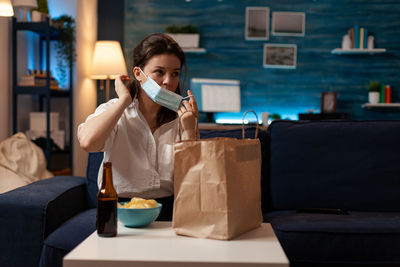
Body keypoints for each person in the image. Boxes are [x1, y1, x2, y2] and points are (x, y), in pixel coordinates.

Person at [77, 33, 198, 220]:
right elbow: (88, 143)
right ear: (138, 74)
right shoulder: (115, 111)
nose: (168, 81)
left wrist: (190, 130)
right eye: (159, 72)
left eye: (175, 73)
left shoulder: (183, 119)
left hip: (170, 210)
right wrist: (123, 102)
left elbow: (194, 179)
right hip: (120, 209)